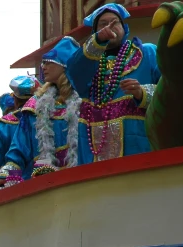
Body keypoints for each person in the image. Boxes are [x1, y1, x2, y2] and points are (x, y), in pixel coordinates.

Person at [67, 3, 160, 163]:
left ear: (124, 27)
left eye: (115, 22)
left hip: (137, 146)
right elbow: (75, 76)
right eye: (103, 24)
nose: (110, 26)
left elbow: (171, 92)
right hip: (92, 149)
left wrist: (142, 93)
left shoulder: (148, 53)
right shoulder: (88, 62)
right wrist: (97, 41)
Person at [0, 37, 82, 190]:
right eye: (43, 63)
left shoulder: (85, 101)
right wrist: (6, 175)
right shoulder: (35, 105)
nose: (43, 67)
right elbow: (19, 147)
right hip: (42, 187)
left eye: (48, 62)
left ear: (64, 66)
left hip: (80, 183)